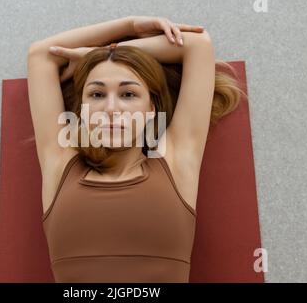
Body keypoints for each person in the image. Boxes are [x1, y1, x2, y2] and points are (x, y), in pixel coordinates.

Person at [26, 16, 245, 282]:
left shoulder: (174, 162)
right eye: (96, 94)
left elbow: (197, 45)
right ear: (81, 111)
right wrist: (128, 27)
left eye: (128, 94)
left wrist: (105, 54)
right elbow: (41, 56)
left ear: (152, 109)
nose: (111, 109)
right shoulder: (60, 164)